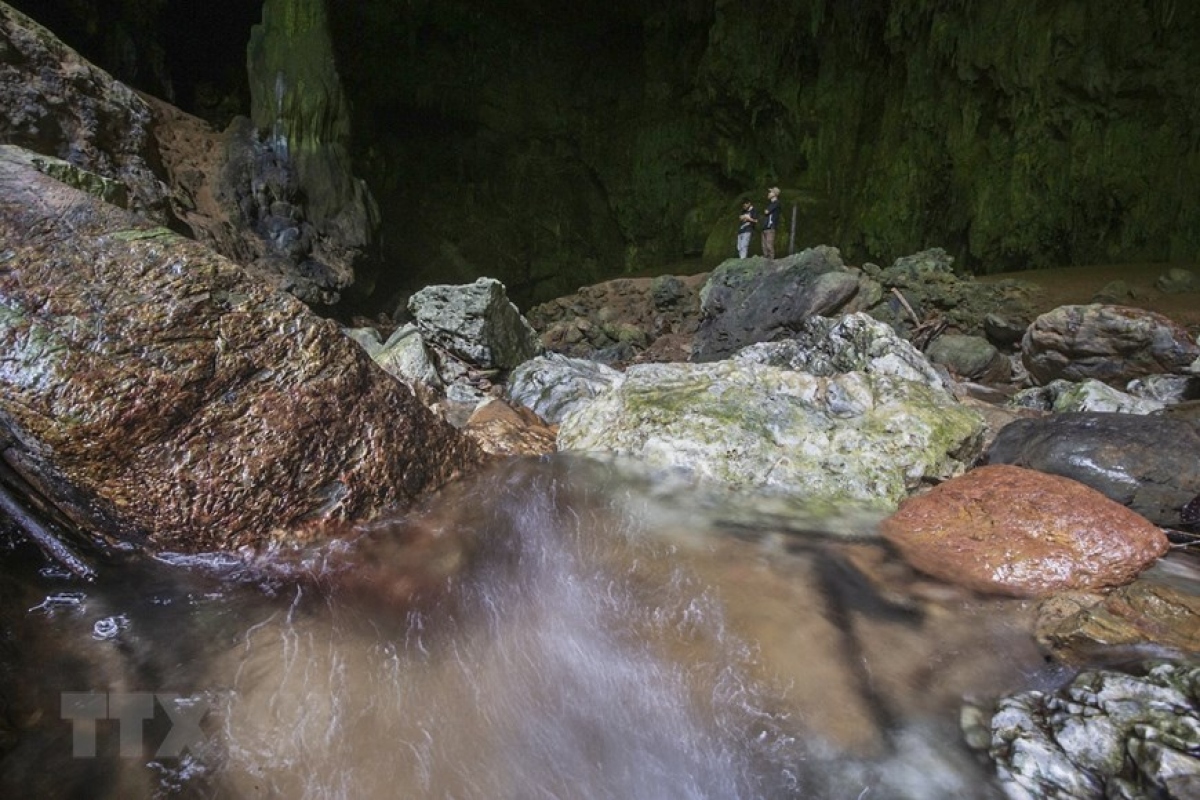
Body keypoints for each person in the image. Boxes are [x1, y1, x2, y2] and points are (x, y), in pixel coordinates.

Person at [761, 187, 781, 259]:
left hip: (770, 228)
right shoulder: (771, 204)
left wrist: (766, 211)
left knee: (769, 246)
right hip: (765, 227)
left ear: (775, 194)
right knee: (764, 246)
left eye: (770, 192)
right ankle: (765, 261)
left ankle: (771, 262)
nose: (769, 193)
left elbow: (766, 211)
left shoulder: (776, 203)